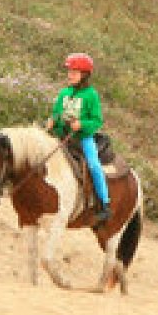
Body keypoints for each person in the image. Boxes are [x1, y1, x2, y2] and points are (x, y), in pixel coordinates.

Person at [48, 52, 110, 226]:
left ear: (84, 75)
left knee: (94, 166)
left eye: (74, 72)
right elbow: (57, 113)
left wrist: (81, 124)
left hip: (83, 139)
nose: (70, 75)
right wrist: (53, 121)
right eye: (69, 72)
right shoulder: (64, 93)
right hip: (62, 137)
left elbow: (97, 120)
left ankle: (104, 204)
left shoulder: (91, 95)